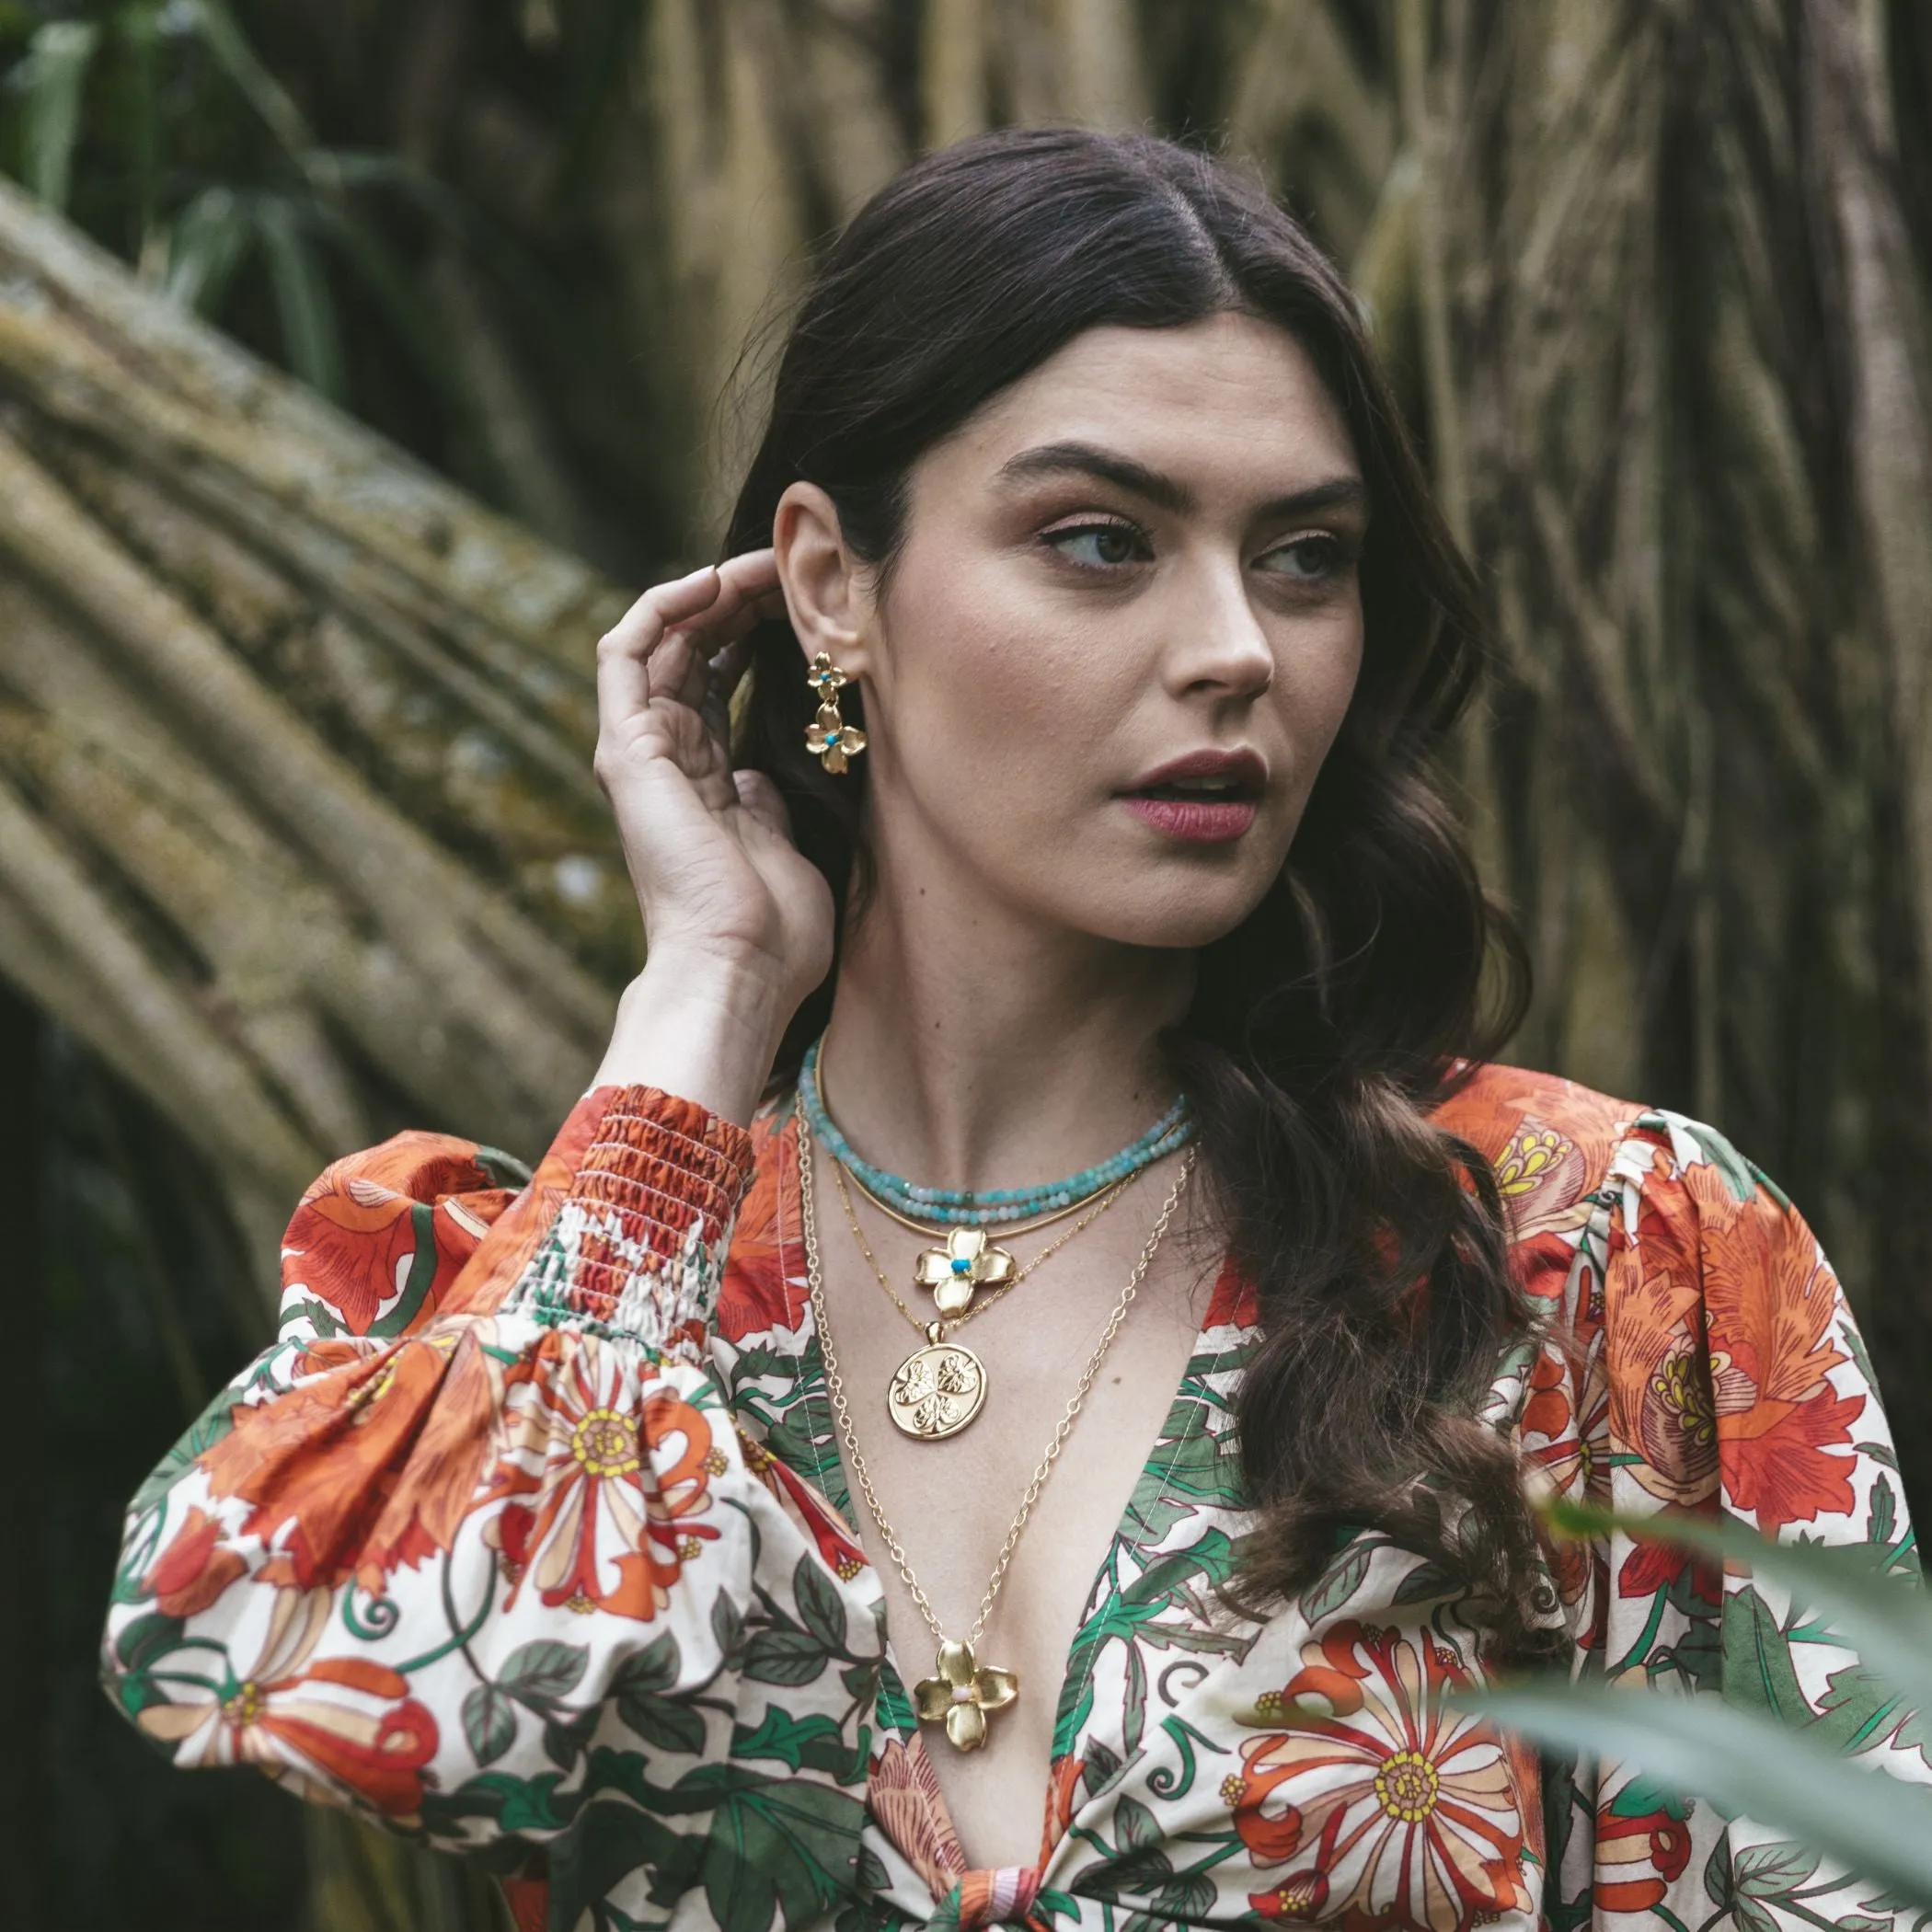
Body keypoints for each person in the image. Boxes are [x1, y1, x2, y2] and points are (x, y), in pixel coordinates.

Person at [101, 128, 1921, 1932]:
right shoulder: (601, 1304)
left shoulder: (1583, 1255)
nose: (1237, 651)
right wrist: (702, 1000)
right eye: (1100, 542)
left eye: (1303, 559)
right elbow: (298, 1674)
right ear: (830, 584)